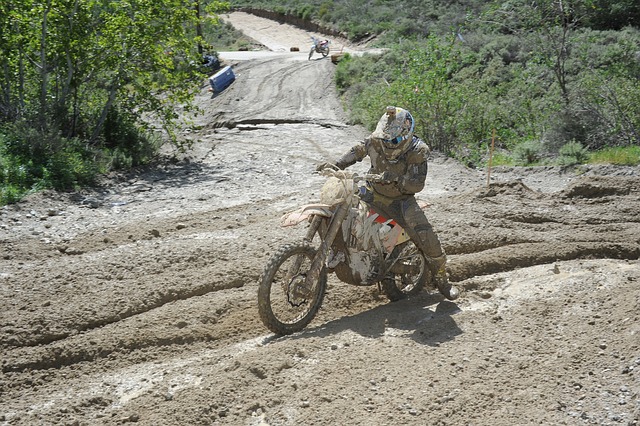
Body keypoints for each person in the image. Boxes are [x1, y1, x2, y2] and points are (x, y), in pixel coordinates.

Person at [316, 106, 459, 300]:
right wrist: (337, 164)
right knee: (340, 207)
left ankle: (442, 279)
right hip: (370, 192)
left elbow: (417, 185)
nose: (389, 143)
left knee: (427, 238)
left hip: (400, 201)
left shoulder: (417, 151)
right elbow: (358, 150)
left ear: (407, 134)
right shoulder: (376, 140)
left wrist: (396, 180)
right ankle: (340, 250)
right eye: (386, 138)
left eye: (395, 139)